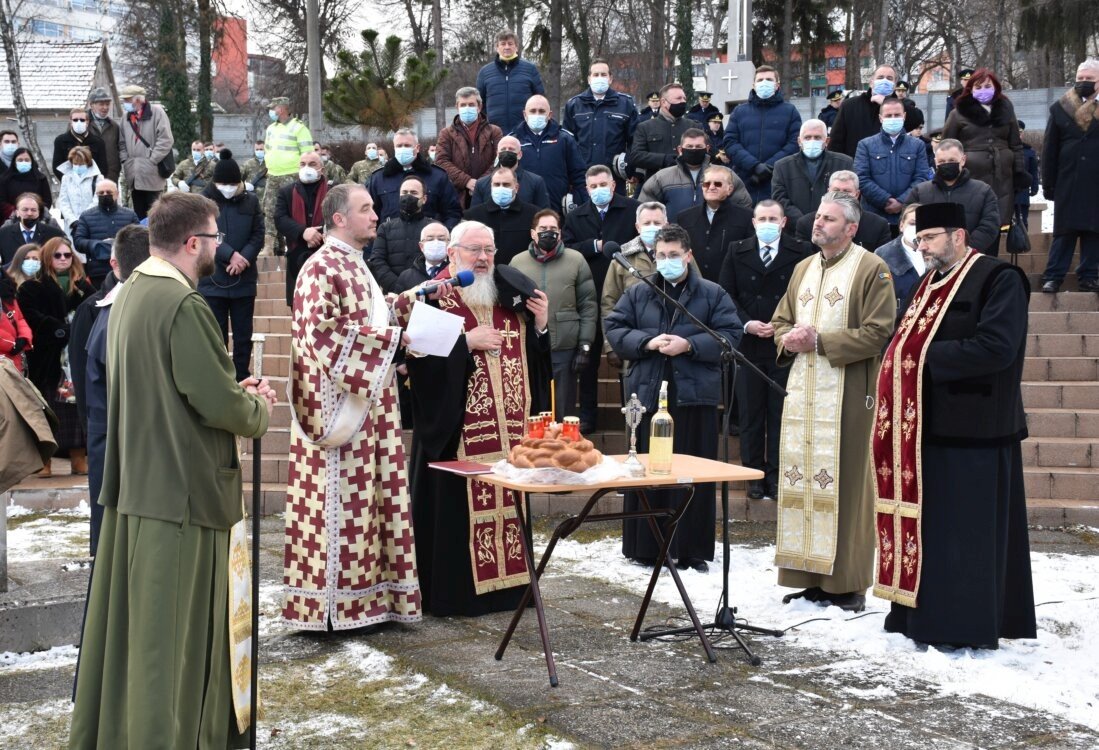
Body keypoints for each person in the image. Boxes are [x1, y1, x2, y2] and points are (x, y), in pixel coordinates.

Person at [69, 193, 275, 748]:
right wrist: (256, 406)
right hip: (183, 498)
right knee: (173, 643)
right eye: (213, 237)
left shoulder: (131, 291)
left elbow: (170, 386)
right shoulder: (184, 305)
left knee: (137, 637)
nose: (218, 246)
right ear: (192, 243)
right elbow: (221, 405)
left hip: (138, 486)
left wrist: (230, 389)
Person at [875, 201, 1036, 649]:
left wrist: (917, 361)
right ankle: (917, 616)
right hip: (925, 429)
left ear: (959, 236)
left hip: (978, 432)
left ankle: (962, 626)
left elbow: (996, 348)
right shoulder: (928, 282)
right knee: (934, 534)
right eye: (918, 238)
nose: (921, 245)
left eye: (929, 238)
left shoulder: (1000, 278)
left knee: (966, 538)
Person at [282, 183, 422, 630]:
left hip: (373, 410)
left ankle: (374, 602)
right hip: (338, 413)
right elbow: (322, 333)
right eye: (366, 209)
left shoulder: (357, 266)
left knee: (376, 506)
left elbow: (368, 319)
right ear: (339, 218)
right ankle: (335, 607)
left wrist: (407, 305)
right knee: (344, 512)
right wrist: (396, 342)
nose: (376, 215)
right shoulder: (319, 268)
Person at [394, 220, 551, 616]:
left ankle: (510, 593)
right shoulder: (432, 298)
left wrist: (543, 324)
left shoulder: (507, 300)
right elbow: (419, 369)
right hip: (456, 434)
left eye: (489, 251)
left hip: (508, 437)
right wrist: (465, 343)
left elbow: (535, 364)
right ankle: (457, 596)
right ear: (452, 253)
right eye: (474, 250)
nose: (482, 259)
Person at [771, 191, 896, 612]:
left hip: (849, 393)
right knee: (802, 482)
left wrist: (821, 341)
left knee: (848, 487)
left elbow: (880, 332)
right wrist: (782, 338)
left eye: (829, 218)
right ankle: (809, 575)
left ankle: (848, 583)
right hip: (802, 395)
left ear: (851, 228)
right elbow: (782, 320)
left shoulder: (872, 268)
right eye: (818, 216)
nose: (818, 223)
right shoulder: (804, 267)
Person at [604, 223, 743, 571]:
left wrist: (691, 344)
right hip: (649, 395)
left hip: (694, 396)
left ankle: (692, 549)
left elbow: (730, 336)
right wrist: (648, 342)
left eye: (673, 255)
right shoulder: (639, 292)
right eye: (661, 255)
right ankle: (645, 548)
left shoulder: (712, 294)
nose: (667, 261)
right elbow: (615, 327)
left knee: (692, 472)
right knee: (649, 471)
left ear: (688, 256)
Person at [718, 200, 809, 500]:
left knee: (780, 414)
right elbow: (726, 292)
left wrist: (785, 327)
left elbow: (805, 294)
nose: (767, 223)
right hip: (749, 345)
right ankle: (754, 474)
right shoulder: (736, 249)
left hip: (784, 345)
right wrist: (746, 324)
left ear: (783, 222)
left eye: (773, 218)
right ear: (753, 222)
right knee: (751, 414)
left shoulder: (801, 251)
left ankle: (776, 475)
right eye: (762, 218)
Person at [81, 225, 150, 555]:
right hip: (112, 439)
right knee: (111, 543)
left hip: (115, 438)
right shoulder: (102, 310)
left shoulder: (126, 307)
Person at [563, 165, 641, 431]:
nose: (599, 190)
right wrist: (592, 246)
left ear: (613, 185)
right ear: (586, 189)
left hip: (625, 296)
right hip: (589, 295)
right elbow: (567, 247)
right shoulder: (576, 217)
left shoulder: (632, 210)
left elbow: (644, 241)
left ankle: (632, 417)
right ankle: (587, 416)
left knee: (626, 358)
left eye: (603, 185)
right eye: (593, 186)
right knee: (588, 361)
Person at [16, 237, 96, 477]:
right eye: (57, 255)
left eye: (67, 255)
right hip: (47, 358)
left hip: (75, 357)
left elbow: (94, 309)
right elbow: (30, 315)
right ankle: (45, 460)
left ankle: (78, 457)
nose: (63, 259)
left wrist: (76, 330)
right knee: (46, 409)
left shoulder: (83, 285)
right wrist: (57, 328)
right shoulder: (32, 286)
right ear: (47, 257)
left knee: (74, 408)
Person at [510, 208, 597, 421]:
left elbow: (588, 304)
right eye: (542, 229)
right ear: (532, 233)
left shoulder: (576, 260)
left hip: (564, 347)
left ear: (560, 232)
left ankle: (564, 451)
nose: (548, 233)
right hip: (529, 346)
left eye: (553, 229)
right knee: (533, 409)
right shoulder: (517, 262)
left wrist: (585, 345)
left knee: (562, 410)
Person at [196, 150, 264, 381]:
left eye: (233, 183)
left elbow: (258, 233)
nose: (228, 187)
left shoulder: (251, 201)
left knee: (243, 335)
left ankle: (242, 376)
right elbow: (204, 234)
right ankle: (219, 379)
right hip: (212, 279)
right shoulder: (203, 203)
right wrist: (230, 255)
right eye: (224, 183)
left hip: (243, 279)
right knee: (216, 335)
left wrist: (243, 258)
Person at [941, 68, 1026, 246]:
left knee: (995, 222)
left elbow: (1015, 143)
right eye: (978, 87)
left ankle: (990, 266)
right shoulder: (958, 113)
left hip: (1002, 178)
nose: (983, 90)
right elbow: (948, 145)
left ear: (995, 87)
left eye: (988, 86)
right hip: (970, 175)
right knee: (971, 223)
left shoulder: (1006, 109)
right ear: (970, 89)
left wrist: (1019, 170)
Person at [1040, 59, 1099, 293]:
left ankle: (1090, 275)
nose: (1083, 82)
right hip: (1068, 179)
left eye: (1089, 79)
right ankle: (1053, 275)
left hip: (1095, 182)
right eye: (1080, 78)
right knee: (1064, 232)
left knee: (1094, 231)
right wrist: (1049, 183)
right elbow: (1049, 148)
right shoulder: (1060, 107)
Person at [906, 138, 1001, 255]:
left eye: (952, 160)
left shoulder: (983, 191)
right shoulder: (919, 192)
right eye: (941, 161)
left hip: (970, 258)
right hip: (930, 258)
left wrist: (965, 250)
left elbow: (989, 225)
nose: (947, 164)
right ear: (935, 162)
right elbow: (910, 223)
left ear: (963, 160)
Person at [723, 65, 802, 203]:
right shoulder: (739, 111)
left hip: (778, 181)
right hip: (745, 180)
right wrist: (754, 166)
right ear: (753, 85)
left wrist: (770, 166)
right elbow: (730, 142)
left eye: (769, 79)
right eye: (760, 80)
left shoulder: (790, 111)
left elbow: (795, 143)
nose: (764, 82)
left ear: (777, 85)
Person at [639, 129, 751, 222]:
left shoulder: (726, 174)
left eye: (698, 146)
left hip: (717, 239)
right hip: (674, 241)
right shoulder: (661, 178)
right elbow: (644, 209)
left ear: (707, 149)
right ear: (680, 149)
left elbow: (743, 206)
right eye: (689, 146)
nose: (694, 150)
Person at [563, 59, 639, 193]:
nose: (599, 78)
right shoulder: (574, 105)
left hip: (614, 177)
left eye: (603, 75)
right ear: (589, 79)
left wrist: (630, 167)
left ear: (610, 79)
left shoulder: (625, 104)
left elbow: (635, 140)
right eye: (595, 74)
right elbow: (567, 143)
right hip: (583, 177)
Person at [854, 98, 928, 228]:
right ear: (881, 118)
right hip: (874, 217)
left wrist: (901, 202)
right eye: (888, 115)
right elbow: (861, 178)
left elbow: (921, 177)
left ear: (904, 116)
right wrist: (885, 200)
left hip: (907, 217)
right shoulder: (865, 145)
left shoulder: (918, 145)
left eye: (897, 115)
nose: (893, 118)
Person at [368, 128, 462, 228]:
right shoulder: (379, 178)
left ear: (417, 148)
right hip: (389, 240)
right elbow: (370, 213)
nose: (403, 149)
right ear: (394, 148)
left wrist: (441, 236)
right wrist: (377, 240)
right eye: (399, 146)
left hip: (427, 239)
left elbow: (452, 212)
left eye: (407, 145)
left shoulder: (437, 176)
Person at [677, 164, 755, 282]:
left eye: (717, 184)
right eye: (706, 184)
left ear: (730, 189)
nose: (711, 187)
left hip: (731, 286)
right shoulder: (684, 217)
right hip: (692, 285)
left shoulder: (747, 217)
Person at [509, 95, 586, 212]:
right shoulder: (512, 140)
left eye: (541, 111)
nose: (537, 115)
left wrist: (581, 204)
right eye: (533, 111)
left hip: (557, 209)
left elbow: (579, 176)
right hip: (521, 211)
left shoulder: (565, 139)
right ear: (525, 114)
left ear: (549, 115)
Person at [771, 119, 855, 224]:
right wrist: (803, 222)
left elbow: (848, 197)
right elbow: (779, 199)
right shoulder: (782, 166)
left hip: (833, 228)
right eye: (807, 137)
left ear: (827, 141)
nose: (812, 141)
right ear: (799, 141)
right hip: (795, 230)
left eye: (817, 137)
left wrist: (825, 220)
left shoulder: (844, 163)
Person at [435, 87, 504, 209]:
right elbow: (441, 162)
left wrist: (481, 184)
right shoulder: (446, 134)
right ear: (457, 107)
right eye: (463, 105)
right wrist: (467, 181)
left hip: (488, 194)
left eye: (471, 104)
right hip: (457, 197)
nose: (467, 108)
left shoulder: (494, 132)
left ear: (479, 107)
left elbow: (499, 159)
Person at [263, 95, 314, 254]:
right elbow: (267, 149)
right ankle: (270, 246)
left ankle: (293, 244)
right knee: (269, 209)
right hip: (273, 175)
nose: (271, 111)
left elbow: (308, 155)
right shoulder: (271, 128)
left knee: (292, 211)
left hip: (291, 175)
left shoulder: (299, 128)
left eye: (274, 108)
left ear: (282, 109)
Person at [276, 151, 328, 305]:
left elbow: (340, 215)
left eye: (312, 164)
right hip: (296, 259)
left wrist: (318, 234)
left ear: (322, 169)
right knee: (299, 307)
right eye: (303, 164)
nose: (307, 167)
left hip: (326, 255)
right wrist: (303, 232)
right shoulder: (286, 191)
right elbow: (280, 219)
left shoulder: (334, 190)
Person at [794, 170, 892, 251]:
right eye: (836, 190)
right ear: (828, 192)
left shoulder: (878, 225)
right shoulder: (806, 224)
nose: (841, 196)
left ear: (857, 194)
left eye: (847, 191)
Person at [367, 175, 434, 292]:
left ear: (424, 199)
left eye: (413, 193)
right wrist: (397, 288)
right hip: (393, 295)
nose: (408, 196)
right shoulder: (385, 228)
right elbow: (377, 261)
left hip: (426, 293)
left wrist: (420, 290)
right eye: (404, 192)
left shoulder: (434, 228)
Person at [117, 84, 174, 219]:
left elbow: (166, 140)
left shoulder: (157, 113)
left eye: (127, 100)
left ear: (137, 100)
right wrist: (126, 160)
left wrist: (152, 160)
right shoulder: (125, 118)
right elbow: (122, 142)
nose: (125, 103)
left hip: (152, 174)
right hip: (134, 174)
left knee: (156, 216)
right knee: (138, 216)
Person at [72, 180, 140, 287]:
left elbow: (140, 239)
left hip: (125, 269)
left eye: (109, 192)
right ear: (96, 195)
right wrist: (97, 246)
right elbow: (78, 241)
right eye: (101, 193)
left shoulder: (130, 215)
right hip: (98, 271)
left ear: (117, 194)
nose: (105, 195)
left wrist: (118, 244)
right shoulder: (86, 216)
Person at [463, 167, 538, 264]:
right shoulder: (472, 216)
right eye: (497, 184)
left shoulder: (533, 214)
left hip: (520, 274)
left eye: (506, 185)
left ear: (516, 188)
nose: (501, 188)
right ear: (491, 187)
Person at [476, 29, 546, 133]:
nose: (507, 47)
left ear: (516, 47)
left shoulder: (530, 69)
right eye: (503, 44)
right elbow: (479, 103)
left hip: (525, 132)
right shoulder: (485, 72)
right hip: (494, 133)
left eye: (510, 44)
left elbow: (540, 99)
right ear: (497, 47)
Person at [827, 65, 901, 159]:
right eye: (880, 77)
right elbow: (836, 142)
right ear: (871, 82)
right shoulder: (850, 105)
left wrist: (886, 103)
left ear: (895, 85)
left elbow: (915, 120)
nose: (884, 81)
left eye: (889, 78)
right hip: (855, 167)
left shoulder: (901, 107)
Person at [629, 83, 693, 181]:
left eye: (684, 98)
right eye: (678, 98)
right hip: (655, 182)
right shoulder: (645, 127)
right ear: (663, 102)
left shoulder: (693, 126)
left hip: (687, 181)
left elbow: (709, 152)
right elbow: (636, 156)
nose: (683, 102)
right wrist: (663, 159)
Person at [469, 136, 551, 209]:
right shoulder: (482, 184)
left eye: (511, 149)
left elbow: (543, 213)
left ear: (519, 154)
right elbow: (475, 215)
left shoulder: (536, 182)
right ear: (497, 154)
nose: (507, 152)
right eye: (503, 149)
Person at [0, 193, 65, 266]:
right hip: (12, 276)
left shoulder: (54, 234)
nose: (29, 213)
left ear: (39, 213)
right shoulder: (3, 234)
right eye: (25, 210)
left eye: (33, 210)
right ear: (17, 212)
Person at [57, 146, 103, 240]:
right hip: (71, 225)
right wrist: (73, 221)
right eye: (75, 163)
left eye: (81, 164)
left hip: (91, 223)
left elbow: (97, 200)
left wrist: (83, 220)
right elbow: (63, 201)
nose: (78, 166)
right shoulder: (66, 178)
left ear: (87, 162)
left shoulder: (97, 178)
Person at [51, 107, 108, 181]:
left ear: (87, 122)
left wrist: (94, 183)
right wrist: (68, 182)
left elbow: (103, 167)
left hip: (92, 185)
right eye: (75, 120)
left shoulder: (98, 142)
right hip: (69, 184)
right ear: (71, 121)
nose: (79, 122)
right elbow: (57, 166)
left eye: (82, 120)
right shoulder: (60, 141)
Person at [394, 221, 450, 293]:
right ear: (421, 246)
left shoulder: (456, 273)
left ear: (449, 244)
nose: (436, 243)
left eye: (441, 239)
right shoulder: (406, 277)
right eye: (430, 239)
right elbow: (400, 302)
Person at [0, 148, 53, 219]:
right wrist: (17, 212)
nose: (23, 162)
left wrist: (34, 211)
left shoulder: (40, 178)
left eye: (27, 160)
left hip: (36, 218)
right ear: (14, 162)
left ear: (32, 162)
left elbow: (47, 201)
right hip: (11, 218)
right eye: (20, 160)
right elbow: (2, 201)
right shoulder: (5, 179)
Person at [86, 87, 121, 182]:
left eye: (107, 104)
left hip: (110, 176)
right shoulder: (82, 123)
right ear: (91, 105)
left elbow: (119, 149)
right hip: (88, 175)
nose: (105, 107)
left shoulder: (114, 126)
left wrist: (116, 170)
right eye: (101, 104)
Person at [0, 269, 32, 370]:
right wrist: (11, 344)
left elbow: (19, 318)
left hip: (14, 359)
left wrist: (24, 337)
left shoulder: (6, 289)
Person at [1015, 120, 1040, 230]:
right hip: (1005, 195)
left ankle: (1022, 245)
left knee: (1022, 223)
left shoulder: (1029, 152)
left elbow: (1033, 171)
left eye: (1019, 132)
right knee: (1004, 226)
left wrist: (1034, 188)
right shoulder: (1003, 149)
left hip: (1022, 194)